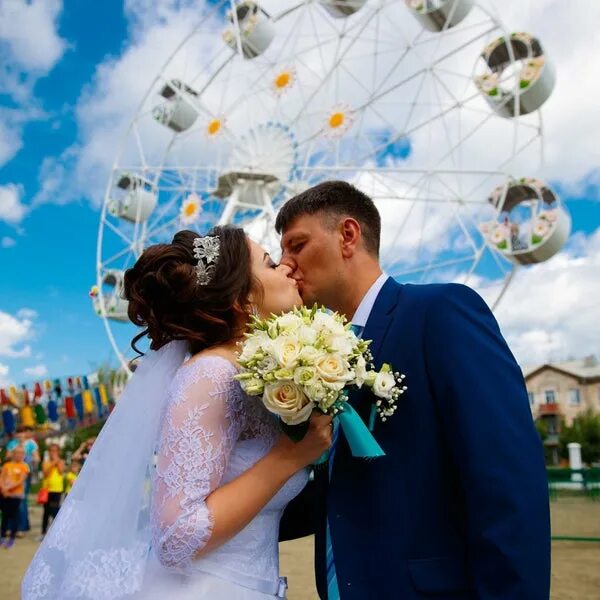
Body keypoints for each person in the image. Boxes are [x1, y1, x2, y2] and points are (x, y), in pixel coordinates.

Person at [22, 226, 332, 599]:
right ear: (242, 298)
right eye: (269, 263)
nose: (285, 268)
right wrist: (289, 455)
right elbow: (175, 536)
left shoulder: (255, 378)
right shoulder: (211, 374)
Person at [277, 181, 551, 599]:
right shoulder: (320, 355)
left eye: (296, 245)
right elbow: (339, 489)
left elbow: (507, 484)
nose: (285, 265)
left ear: (348, 235)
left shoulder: (441, 313)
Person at [0, 445, 30, 549]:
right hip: (4, 494)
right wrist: (3, 488)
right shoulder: (7, 465)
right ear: (13, 454)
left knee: (14, 516)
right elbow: (1, 478)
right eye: (17, 453)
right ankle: (3, 535)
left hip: (16, 495)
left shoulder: (24, 466)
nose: (20, 455)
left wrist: (8, 489)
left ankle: (11, 538)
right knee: (5, 516)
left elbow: (20, 481)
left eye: (22, 453)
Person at [40, 443, 65, 538]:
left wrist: (57, 462)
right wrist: (53, 463)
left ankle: (55, 532)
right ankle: (43, 532)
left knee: (55, 511)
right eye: (51, 450)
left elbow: (61, 471)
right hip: (47, 490)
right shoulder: (46, 462)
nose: (53, 452)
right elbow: (45, 473)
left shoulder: (61, 461)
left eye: (55, 451)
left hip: (57, 490)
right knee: (46, 511)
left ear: (58, 452)